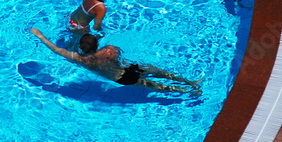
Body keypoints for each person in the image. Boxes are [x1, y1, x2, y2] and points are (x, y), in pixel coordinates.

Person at [29, 28, 202, 95]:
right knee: (163, 74)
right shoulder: (110, 49)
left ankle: (186, 92)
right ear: (97, 44)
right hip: (134, 68)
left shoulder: (81, 60)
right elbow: (120, 56)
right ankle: (190, 82)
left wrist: (40, 35)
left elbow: (56, 49)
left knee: (156, 87)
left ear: (81, 48)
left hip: (122, 78)